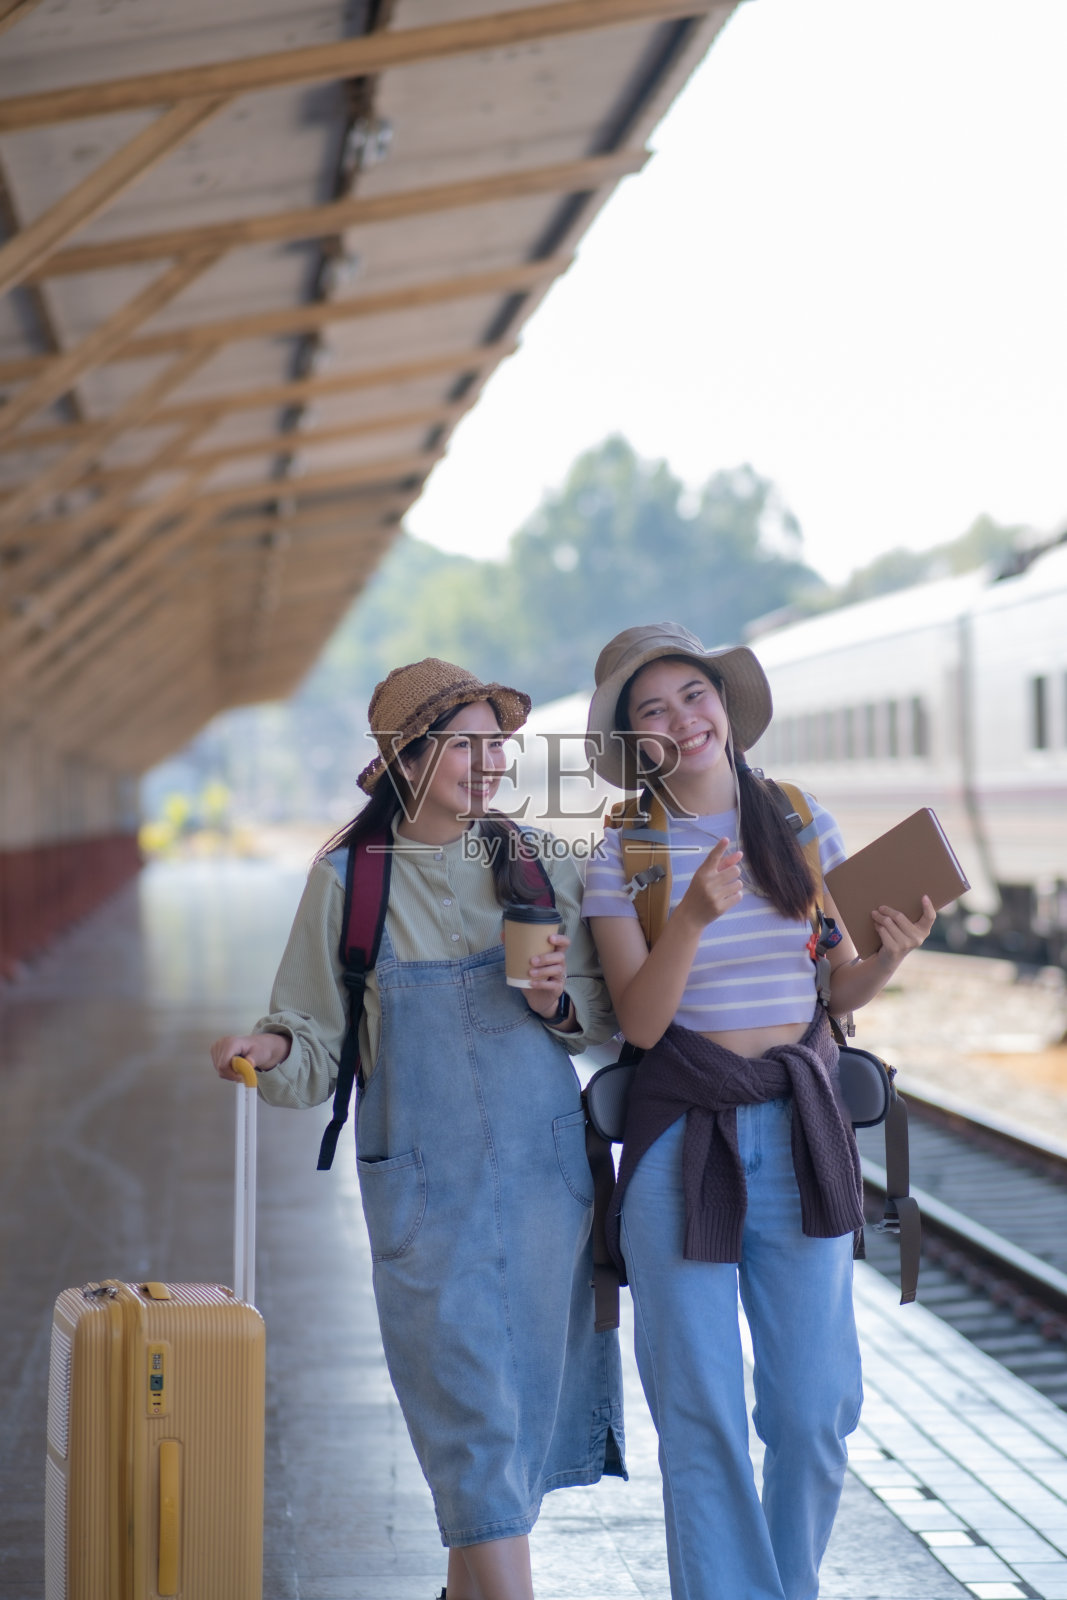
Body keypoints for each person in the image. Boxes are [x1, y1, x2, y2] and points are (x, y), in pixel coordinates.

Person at [211, 658, 625, 1600]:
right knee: (469, 1416)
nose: (489, 764)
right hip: (425, 1196)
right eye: (466, 746)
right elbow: (312, 1035)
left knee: (509, 1421)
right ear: (408, 757)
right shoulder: (348, 882)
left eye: (498, 747)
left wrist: (558, 1000)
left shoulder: (537, 863)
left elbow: (605, 1019)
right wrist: (270, 1051)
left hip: (541, 1188)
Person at [580, 622, 935, 1600]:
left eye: (691, 694)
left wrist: (890, 952)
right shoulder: (625, 854)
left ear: (723, 704)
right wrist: (689, 916)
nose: (679, 719)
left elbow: (834, 990)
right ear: (633, 740)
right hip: (679, 1136)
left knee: (814, 1406)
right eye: (650, 709)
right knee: (700, 1416)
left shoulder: (794, 819)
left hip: (798, 1126)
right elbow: (642, 1023)